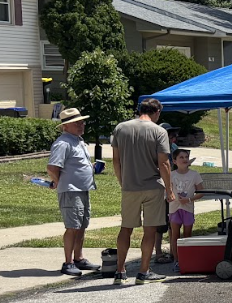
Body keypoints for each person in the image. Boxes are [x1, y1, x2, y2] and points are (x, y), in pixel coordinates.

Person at [110, 98, 175, 284]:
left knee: (126, 228)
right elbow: (163, 163)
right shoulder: (159, 131)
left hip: (129, 186)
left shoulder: (121, 128)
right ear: (157, 112)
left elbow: (116, 160)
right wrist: (169, 190)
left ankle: (120, 270)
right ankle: (143, 271)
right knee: (150, 230)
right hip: (152, 186)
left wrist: (122, 181)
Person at [47, 108, 98, 276]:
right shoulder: (63, 143)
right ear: (66, 126)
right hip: (70, 191)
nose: (82, 125)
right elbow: (52, 167)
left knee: (82, 226)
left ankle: (79, 258)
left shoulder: (78, 140)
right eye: (78, 122)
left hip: (83, 189)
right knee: (72, 227)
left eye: (82, 122)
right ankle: (68, 262)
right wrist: (58, 181)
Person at [167, 149, 203, 271]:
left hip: (188, 208)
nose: (184, 159)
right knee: (175, 235)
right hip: (174, 208)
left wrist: (188, 199)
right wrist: (169, 197)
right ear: (175, 161)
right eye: (181, 157)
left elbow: (200, 192)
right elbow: (168, 191)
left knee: (187, 235)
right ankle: (177, 260)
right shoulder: (171, 175)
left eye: (186, 157)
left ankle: (187, 258)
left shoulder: (194, 174)